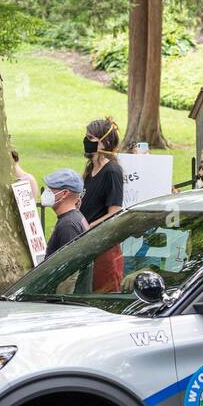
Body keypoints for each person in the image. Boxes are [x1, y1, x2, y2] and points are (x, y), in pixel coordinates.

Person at [80, 118, 125, 293]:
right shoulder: (90, 169)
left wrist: (88, 226)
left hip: (104, 249)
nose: (85, 141)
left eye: (90, 138)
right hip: (86, 245)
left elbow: (115, 212)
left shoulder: (112, 171)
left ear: (104, 142)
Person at [41, 169, 87, 256]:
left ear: (64, 193)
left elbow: (69, 265)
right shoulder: (74, 217)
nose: (46, 192)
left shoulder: (68, 226)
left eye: (50, 188)